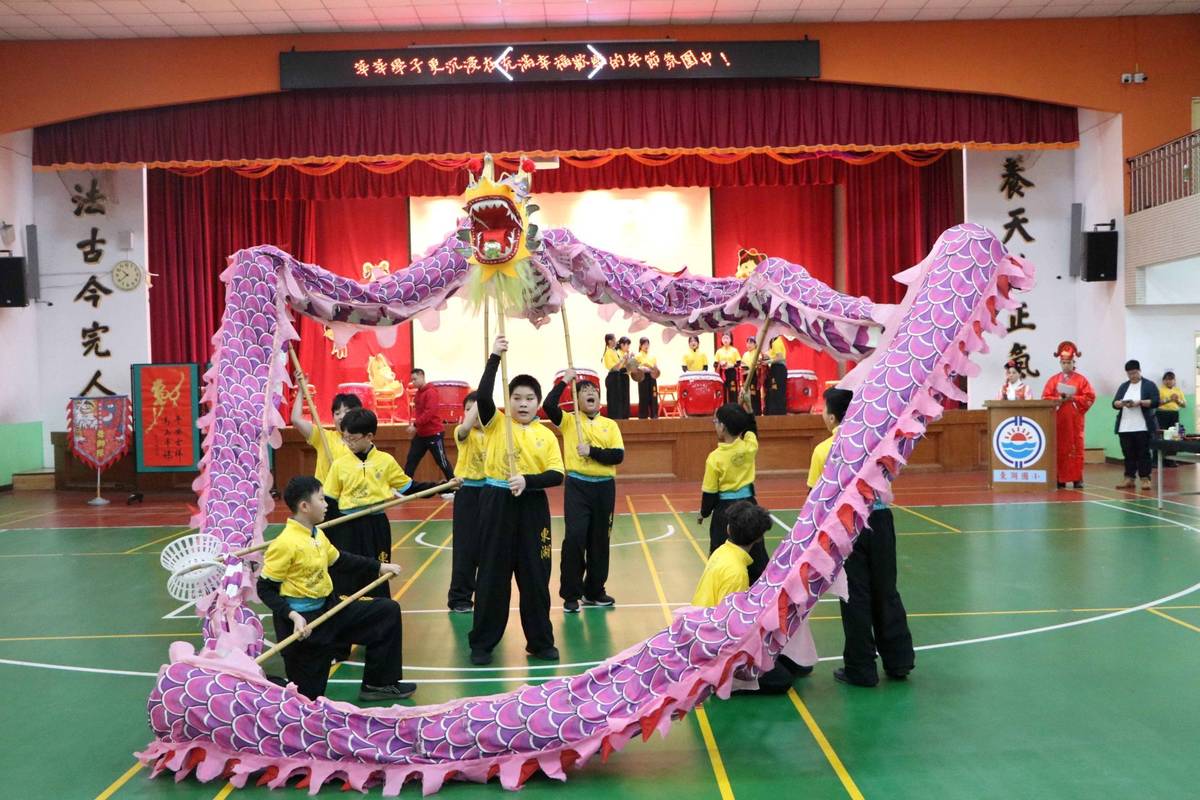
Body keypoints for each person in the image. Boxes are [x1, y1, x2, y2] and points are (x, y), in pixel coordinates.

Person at [256, 475, 415, 702]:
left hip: (330, 610)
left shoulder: (317, 534)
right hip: (303, 626)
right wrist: (293, 616)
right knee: (306, 698)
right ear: (304, 506)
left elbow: (340, 560)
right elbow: (265, 588)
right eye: (321, 499)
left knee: (385, 611)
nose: (326, 504)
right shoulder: (285, 544)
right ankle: (270, 683)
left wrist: (379, 566)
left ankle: (378, 683)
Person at [469, 336, 565, 665]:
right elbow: (483, 395)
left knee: (535, 577)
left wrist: (528, 481)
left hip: (532, 506)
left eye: (529, 398)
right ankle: (482, 643)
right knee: (493, 575)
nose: (523, 404)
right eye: (517, 398)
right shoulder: (497, 424)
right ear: (508, 401)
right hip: (496, 502)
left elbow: (557, 474)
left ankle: (539, 642)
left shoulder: (546, 435)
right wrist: (495, 357)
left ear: (538, 402)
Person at [810, 387, 914, 688]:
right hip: (880, 519)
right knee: (886, 589)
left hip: (847, 526)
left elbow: (815, 498)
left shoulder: (824, 449)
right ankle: (899, 660)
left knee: (854, 595)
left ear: (831, 416)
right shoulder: (878, 442)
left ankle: (861, 668)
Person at [323, 408, 455, 599]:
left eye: (352, 438)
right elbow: (329, 501)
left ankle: (380, 612)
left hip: (377, 526)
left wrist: (443, 487)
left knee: (379, 571)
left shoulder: (385, 461)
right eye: (345, 438)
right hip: (348, 525)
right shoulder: (339, 465)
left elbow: (409, 488)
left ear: (369, 436)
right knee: (350, 572)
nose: (348, 443)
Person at [691, 500, 814, 693]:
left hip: (702, 632)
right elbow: (729, 628)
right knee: (782, 681)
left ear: (728, 529)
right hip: (713, 647)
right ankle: (727, 682)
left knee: (792, 664)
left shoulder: (721, 552)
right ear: (758, 539)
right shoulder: (737, 573)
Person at [544, 369, 625, 613]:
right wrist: (565, 381)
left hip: (604, 488)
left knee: (600, 541)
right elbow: (548, 405)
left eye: (594, 391)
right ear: (576, 400)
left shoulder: (609, 425)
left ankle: (594, 591)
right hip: (578, 486)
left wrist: (592, 452)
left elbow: (617, 455)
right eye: (585, 391)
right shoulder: (570, 421)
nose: (591, 393)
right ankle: (571, 594)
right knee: (575, 539)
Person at [697, 403, 768, 583]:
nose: (715, 424)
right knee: (756, 556)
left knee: (721, 553)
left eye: (716, 421)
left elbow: (710, 493)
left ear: (723, 427)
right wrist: (749, 410)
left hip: (725, 513)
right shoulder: (749, 448)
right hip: (750, 506)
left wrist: (703, 513)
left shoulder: (715, 458)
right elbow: (752, 430)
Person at [290, 384, 360, 512]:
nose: (341, 417)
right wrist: (301, 391)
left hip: (351, 501)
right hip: (325, 501)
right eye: (337, 413)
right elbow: (295, 420)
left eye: (346, 412)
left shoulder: (363, 443)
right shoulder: (324, 437)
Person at [447, 391, 486, 613]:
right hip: (468, 492)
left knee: (489, 547)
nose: (473, 414)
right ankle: (460, 597)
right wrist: (478, 406)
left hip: (491, 491)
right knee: (465, 547)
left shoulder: (496, 433)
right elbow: (466, 427)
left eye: (477, 409)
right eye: (468, 409)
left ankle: (486, 595)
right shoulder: (462, 433)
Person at [1041, 341, 1096, 489]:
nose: (1066, 365)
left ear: (1073, 362)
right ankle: (1060, 478)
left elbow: (1089, 397)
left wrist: (1073, 398)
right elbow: (1045, 397)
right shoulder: (1053, 380)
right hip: (1059, 420)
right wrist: (1058, 399)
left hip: (1074, 419)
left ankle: (1077, 478)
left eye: (1069, 362)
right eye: (1063, 362)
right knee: (1060, 448)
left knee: (1076, 447)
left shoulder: (1081, 380)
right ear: (1060, 363)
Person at [404, 368, 456, 489]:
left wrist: (415, 425)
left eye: (415, 379)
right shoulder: (418, 394)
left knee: (442, 461)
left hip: (434, 433)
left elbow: (429, 412)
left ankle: (454, 486)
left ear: (422, 376)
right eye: (412, 380)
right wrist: (416, 426)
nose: (413, 382)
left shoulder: (431, 392)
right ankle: (405, 487)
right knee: (411, 459)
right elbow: (420, 413)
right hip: (421, 434)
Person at [1112, 359, 1159, 491]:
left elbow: (1155, 401)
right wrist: (1120, 403)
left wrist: (1140, 402)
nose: (1132, 376)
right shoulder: (1124, 386)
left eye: (1134, 373)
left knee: (1143, 453)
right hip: (1125, 426)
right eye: (1129, 374)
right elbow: (1114, 403)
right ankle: (1129, 478)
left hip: (1142, 426)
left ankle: (1145, 478)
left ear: (1139, 371)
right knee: (1128, 453)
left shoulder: (1149, 385)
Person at [603, 333, 631, 420]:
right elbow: (614, 367)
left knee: (619, 399)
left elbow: (627, 367)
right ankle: (615, 418)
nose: (616, 341)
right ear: (609, 341)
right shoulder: (608, 352)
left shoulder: (614, 352)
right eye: (614, 339)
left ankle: (621, 417)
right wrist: (624, 360)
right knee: (613, 400)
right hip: (613, 376)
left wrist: (628, 359)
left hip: (618, 377)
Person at [634, 337, 660, 419]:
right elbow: (634, 368)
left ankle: (654, 414)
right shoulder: (637, 356)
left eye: (647, 344)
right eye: (644, 344)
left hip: (652, 377)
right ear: (640, 345)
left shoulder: (652, 356)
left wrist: (655, 369)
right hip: (642, 377)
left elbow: (655, 367)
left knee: (653, 395)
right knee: (643, 396)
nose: (646, 346)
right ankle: (643, 415)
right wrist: (642, 367)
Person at [764, 335, 789, 416]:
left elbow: (780, 357)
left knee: (778, 392)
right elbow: (773, 356)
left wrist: (768, 361)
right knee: (774, 392)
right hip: (776, 369)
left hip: (779, 369)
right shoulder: (773, 342)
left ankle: (779, 414)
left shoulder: (777, 341)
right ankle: (775, 413)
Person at [714, 332, 742, 404]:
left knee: (733, 390)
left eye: (727, 338)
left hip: (732, 372)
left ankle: (734, 407)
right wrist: (720, 364)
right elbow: (715, 364)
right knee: (723, 391)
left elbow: (739, 362)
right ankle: (724, 407)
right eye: (724, 338)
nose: (725, 340)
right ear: (721, 340)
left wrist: (731, 365)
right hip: (722, 373)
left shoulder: (734, 350)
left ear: (731, 340)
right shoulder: (719, 351)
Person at [741, 335, 765, 415]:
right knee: (747, 395)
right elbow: (742, 366)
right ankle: (748, 412)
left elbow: (759, 365)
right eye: (747, 342)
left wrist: (752, 369)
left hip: (754, 376)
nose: (749, 344)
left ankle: (757, 412)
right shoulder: (745, 354)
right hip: (746, 376)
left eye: (751, 342)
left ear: (755, 344)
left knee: (754, 394)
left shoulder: (758, 353)